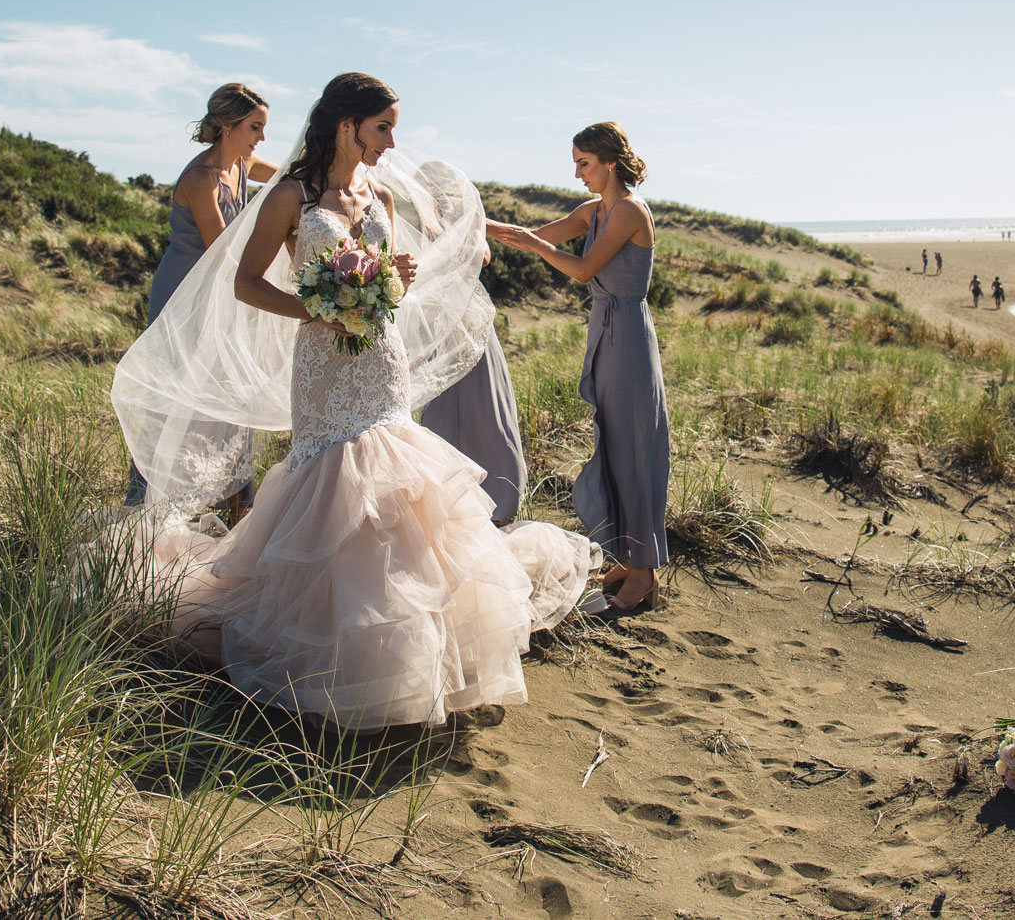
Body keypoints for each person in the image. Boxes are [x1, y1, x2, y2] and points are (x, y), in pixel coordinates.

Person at [111, 72, 597, 729]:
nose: (391, 142)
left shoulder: (379, 195)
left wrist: (392, 282)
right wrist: (317, 308)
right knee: (331, 485)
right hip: (322, 367)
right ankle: (325, 647)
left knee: (395, 486)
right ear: (347, 125)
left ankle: (407, 646)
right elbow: (248, 284)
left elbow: (387, 278)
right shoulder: (291, 196)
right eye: (382, 128)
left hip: (380, 360)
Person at [489, 122, 670, 612]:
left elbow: (583, 268)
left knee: (633, 446)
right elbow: (533, 237)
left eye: (583, 163)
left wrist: (539, 248)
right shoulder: (594, 210)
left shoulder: (630, 210)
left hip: (629, 335)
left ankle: (645, 575)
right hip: (604, 332)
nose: (576, 174)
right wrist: (474, 226)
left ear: (609, 161)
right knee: (612, 443)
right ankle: (630, 559)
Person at [124, 83, 277, 505]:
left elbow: (283, 175)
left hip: (220, 292)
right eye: (255, 127)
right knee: (176, 394)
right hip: (183, 292)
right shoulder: (199, 177)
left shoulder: (243, 163)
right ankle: (149, 501)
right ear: (228, 126)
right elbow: (220, 246)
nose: (261, 137)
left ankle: (231, 499)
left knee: (227, 388)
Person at [420, 245, 527, 525]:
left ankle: (497, 499)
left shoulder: (462, 200)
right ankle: (442, 498)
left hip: (464, 307)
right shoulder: (406, 204)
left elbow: (484, 255)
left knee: (483, 402)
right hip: (433, 309)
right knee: (440, 410)